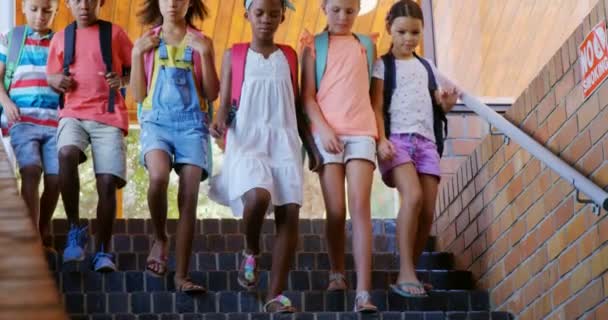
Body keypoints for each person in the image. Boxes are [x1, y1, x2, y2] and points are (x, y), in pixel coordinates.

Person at [209, 0, 302, 313]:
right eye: (259, 13)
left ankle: (275, 295)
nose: (266, 20)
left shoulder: (289, 56)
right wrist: (219, 122)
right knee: (258, 196)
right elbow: (223, 106)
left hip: (285, 141)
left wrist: (313, 149)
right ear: (246, 14)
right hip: (247, 140)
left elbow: (297, 104)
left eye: (273, 14)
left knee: (289, 211)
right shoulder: (234, 55)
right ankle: (250, 249)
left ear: (282, 16)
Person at [371, 0, 459, 298]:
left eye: (415, 32)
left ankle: (412, 270)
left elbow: (440, 101)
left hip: (427, 143)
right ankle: (405, 272)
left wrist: (446, 102)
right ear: (389, 30)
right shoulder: (383, 65)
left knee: (427, 211)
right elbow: (376, 105)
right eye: (402, 31)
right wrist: (380, 140)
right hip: (397, 141)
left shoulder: (427, 67)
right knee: (413, 196)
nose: (408, 38)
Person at [130, 0, 219, 293]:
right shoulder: (148, 41)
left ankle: (182, 275)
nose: (173, 3)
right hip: (156, 122)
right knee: (157, 177)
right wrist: (135, 54)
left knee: (189, 194)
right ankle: (160, 237)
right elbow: (138, 94)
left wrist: (205, 55)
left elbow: (211, 93)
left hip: (193, 125)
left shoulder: (201, 41)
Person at [46, 0, 133, 272]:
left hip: (108, 115)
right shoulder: (61, 37)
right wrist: (56, 81)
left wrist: (123, 81)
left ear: (101, 2)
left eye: (90, 0)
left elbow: (135, 70)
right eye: (77, 0)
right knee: (65, 153)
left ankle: (104, 250)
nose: (84, 5)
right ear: (68, 3)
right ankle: (75, 229)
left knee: (107, 182)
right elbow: (51, 75)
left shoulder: (115, 34)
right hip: (72, 113)